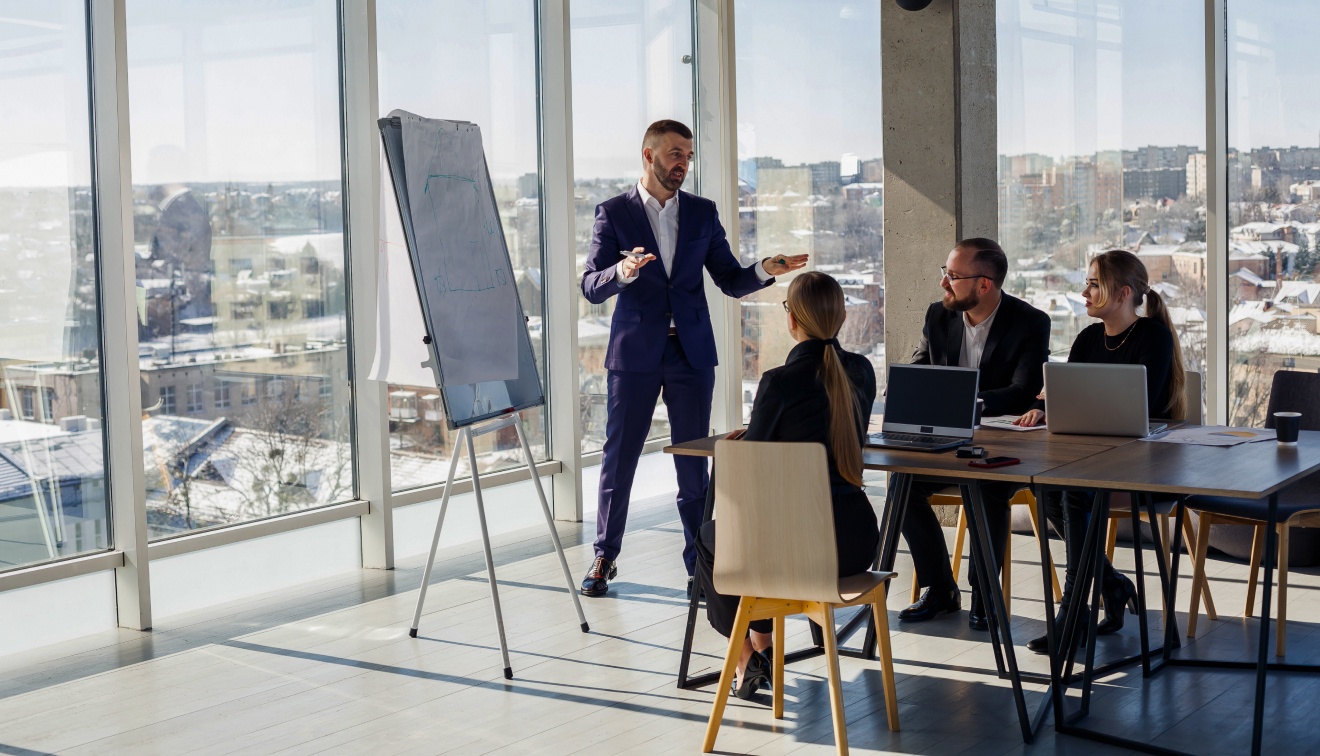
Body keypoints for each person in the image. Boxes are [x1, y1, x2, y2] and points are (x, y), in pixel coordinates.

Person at [579, 119, 808, 597]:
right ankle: (605, 555)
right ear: (649, 156)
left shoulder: (702, 213)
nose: (683, 163)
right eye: (674, 154)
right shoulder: (613, 212)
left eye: (687, 155)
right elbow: (590, 286)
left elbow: (728, 278)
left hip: (691, 354)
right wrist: (621, 271)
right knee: (619, 457)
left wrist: (766, 270)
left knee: (693, 462)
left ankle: (699, 564)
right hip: (635, 354)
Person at [693, 271, 879, 698]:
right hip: (854, 544)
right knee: (753, 545)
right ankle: (762, 649)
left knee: (711, 540)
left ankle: (750, 659)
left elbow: (755, 467)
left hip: (797, 550)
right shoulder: (862, 371)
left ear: (792, 319)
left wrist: (739, 444)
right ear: (842, 315)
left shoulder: (779, 382)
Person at [1013, 248, 1187, 652]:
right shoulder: (1088, 338)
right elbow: (1073, 395)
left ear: (1123, 292)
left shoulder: (1152, 337)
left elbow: (1139, 407)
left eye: (1094, 284)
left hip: (1145, 463)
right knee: (1049, 491)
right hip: (1093, 456)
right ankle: (1112, 583)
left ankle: (1073, 612)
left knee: (1073, 492)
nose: (1086, 292)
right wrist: (1042, 406)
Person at [895, 239, 1052, 631]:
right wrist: (906, 391)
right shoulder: (938, 316)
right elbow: (922, 369)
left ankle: (985, 592)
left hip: (1004, 448)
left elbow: (1023, 390)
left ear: (984, 284)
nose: (944, 283)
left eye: (953, 276)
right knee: (903, 483)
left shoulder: (1030, 322)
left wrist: (965, 399)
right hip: (948, 444)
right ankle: (939, 587)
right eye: (944, 273)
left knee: (985, 487)